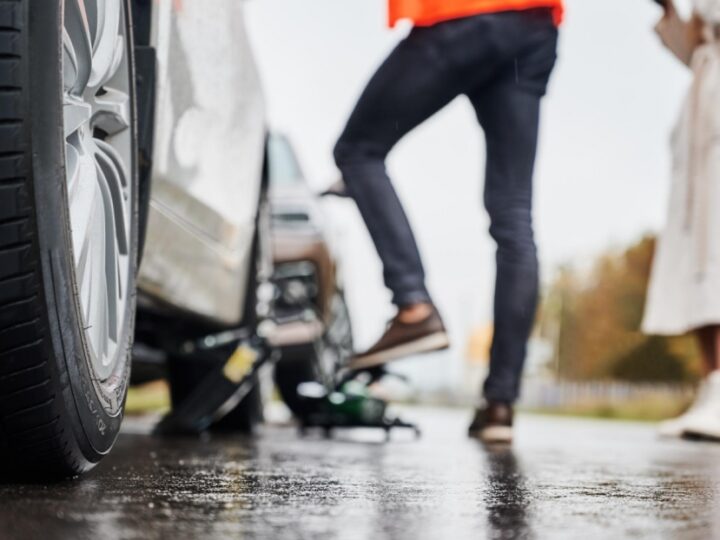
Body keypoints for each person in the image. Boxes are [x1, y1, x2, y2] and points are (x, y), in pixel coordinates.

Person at [332, 0, 563, 443]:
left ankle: (413, 304)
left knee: (358, 150)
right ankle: (500, 404)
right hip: (533, 26)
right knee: (514, 216)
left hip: (459, 17)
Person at [643, 0, 720, 440]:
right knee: (698, 249)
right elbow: (690, 50)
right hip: (703, 100)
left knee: (716, 243)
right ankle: (713, 387)